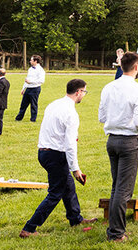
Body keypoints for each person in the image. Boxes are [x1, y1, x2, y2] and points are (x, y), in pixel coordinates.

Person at [20, 79, 97, 238]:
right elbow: (70, 144)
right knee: (55, 193)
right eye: (84, 92)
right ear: (78, 92)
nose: (84, 95)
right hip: (56, 154)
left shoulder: (54, 104)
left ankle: (76, 219)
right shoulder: (71, 114)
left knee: (67, 185)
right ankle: (29, 228)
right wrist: (75, 169)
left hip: (43, 152)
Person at [98, 52, 138, 242]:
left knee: (116, 186)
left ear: (121, 66)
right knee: (123, 190)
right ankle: (116, 234)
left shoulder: (108, 87)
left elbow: (102, 117)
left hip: (112, 140)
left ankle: (113, 228)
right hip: (129, 141)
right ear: (137, 67)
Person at [16, 55, 46, 122]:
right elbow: (27, 79)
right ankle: (18, 118)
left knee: (33, 104)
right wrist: (23, 88)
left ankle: (33, 119)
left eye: (31, 60)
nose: (30, 61)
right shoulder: (30, 69)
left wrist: (31, 82)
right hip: (28, 88)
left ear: (35, 61)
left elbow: (41, 80)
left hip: (35, 88)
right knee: (23, 104)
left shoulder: (40, 70)